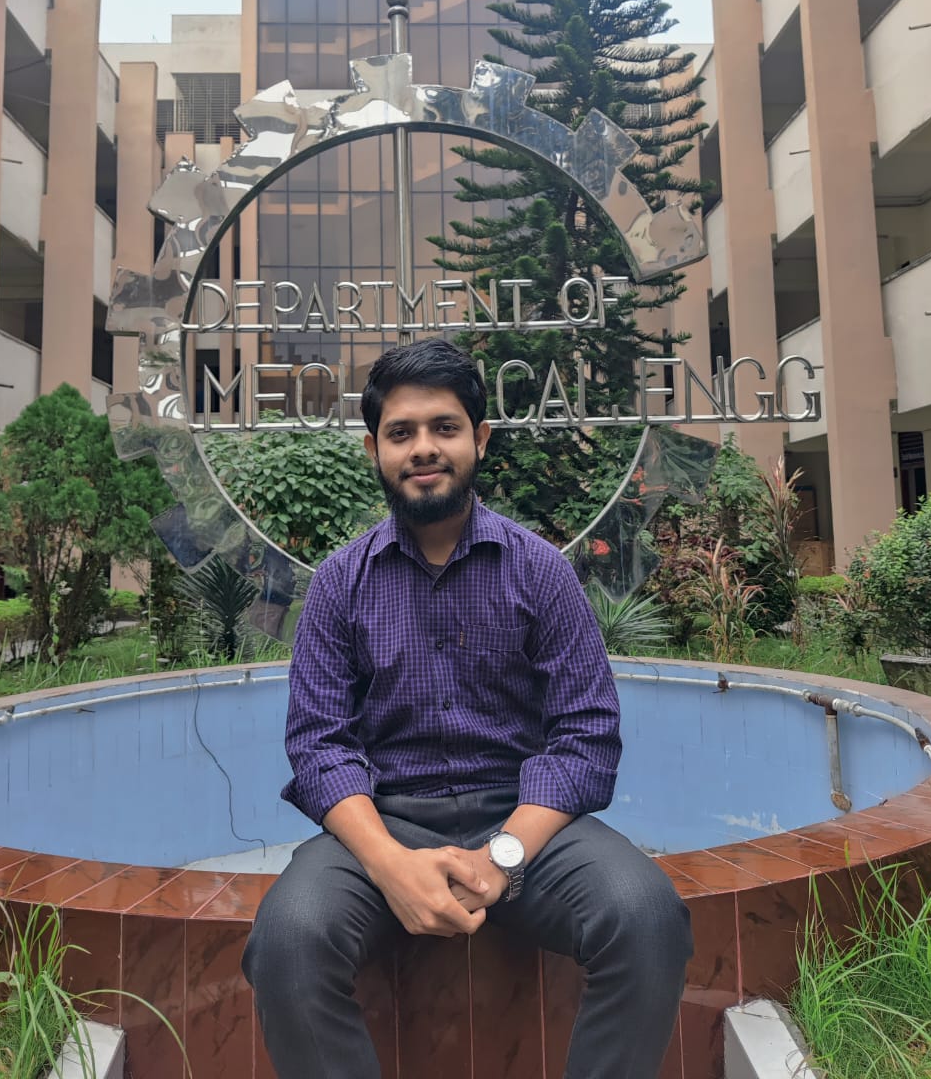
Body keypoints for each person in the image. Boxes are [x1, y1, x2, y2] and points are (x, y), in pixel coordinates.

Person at [242, 340, 693, 1079]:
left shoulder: (540, 571)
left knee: (646, 918)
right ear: (375, 450)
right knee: (288, 939)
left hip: (523, 824)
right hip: (385, 820)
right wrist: (390, 865)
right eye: (401, 432)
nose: (424, 448)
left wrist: (502, 855)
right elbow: (320, 745)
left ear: (479, 439)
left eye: (444, 428)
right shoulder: (338, 584)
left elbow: (586, 736)